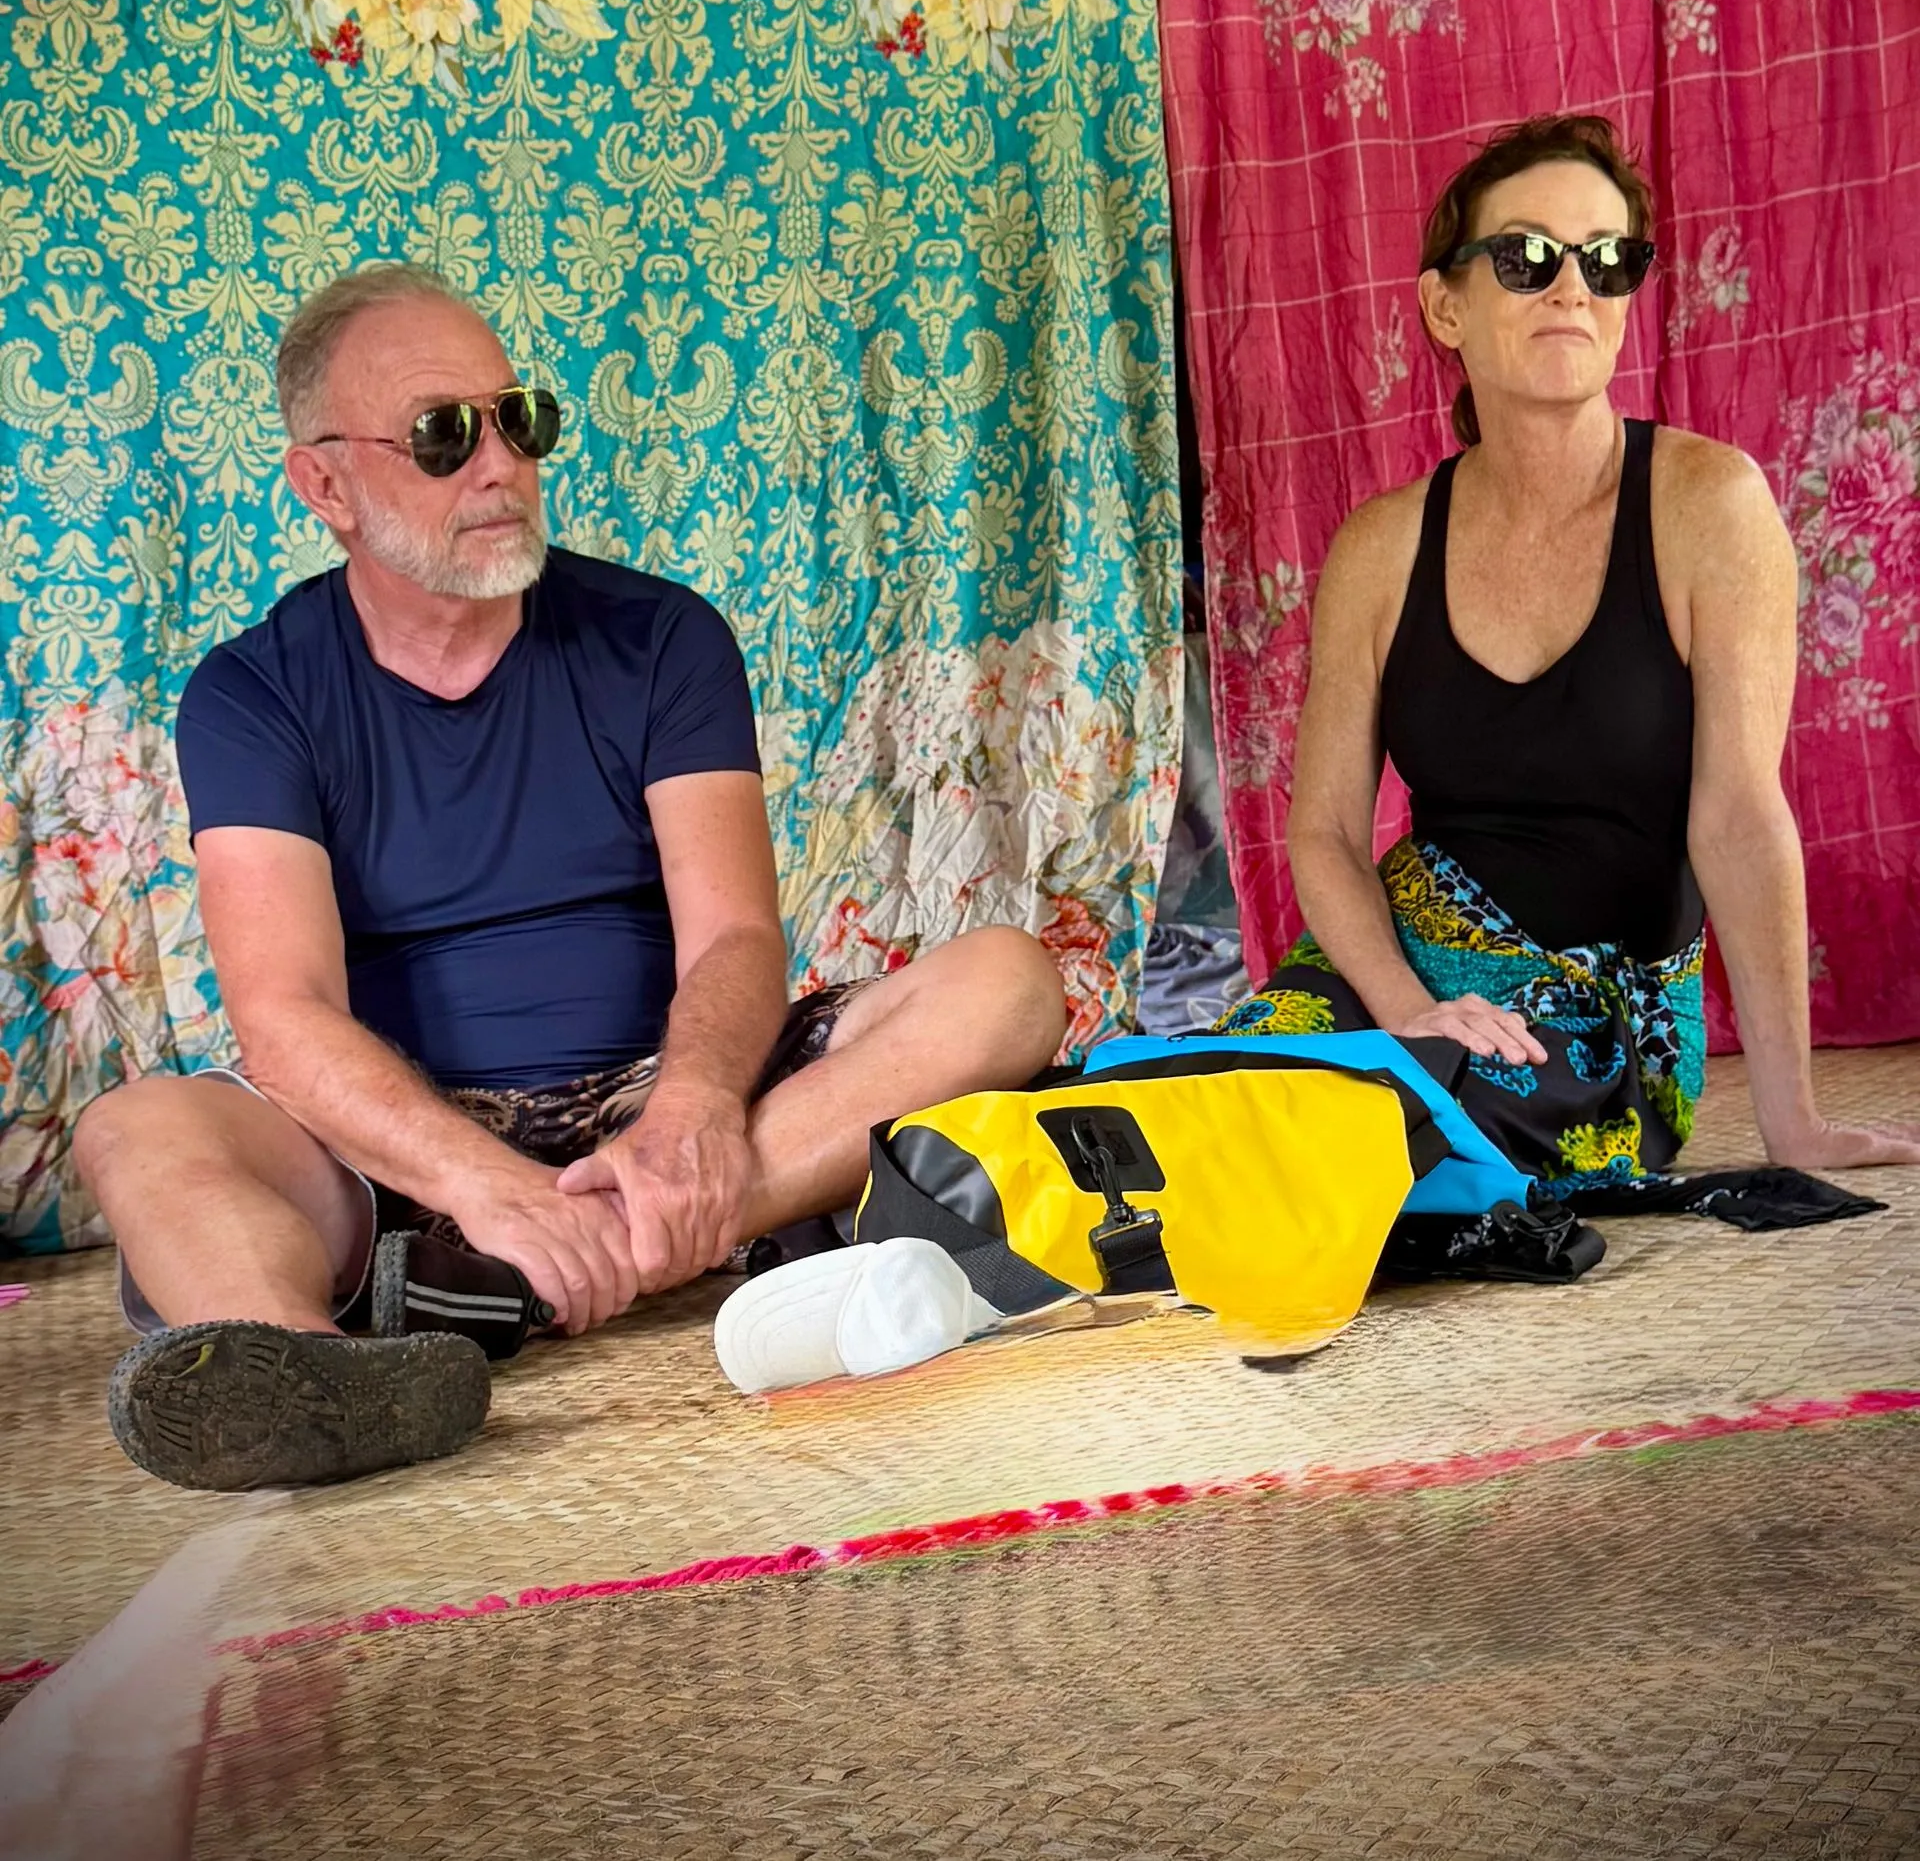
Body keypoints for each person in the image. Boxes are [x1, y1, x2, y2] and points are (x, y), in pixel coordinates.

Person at [76, 265, 1067, 1491]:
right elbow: (283, 1015)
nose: (500, 465)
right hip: (412, 1147)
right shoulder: (253, 693)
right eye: (444, 436)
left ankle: (515, 1284)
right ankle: (310, 1375)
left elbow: (733, 939)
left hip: (668, 1093)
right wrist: (484, 1186)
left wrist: (691, 1118)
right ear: (325, 486)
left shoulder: (662, 637)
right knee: (135, 1131)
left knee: (1007, 983)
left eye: (520, 419)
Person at [1221, 113, 1919, 1192]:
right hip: (1395, 975)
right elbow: (1325, 834)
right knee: (1221, 1102)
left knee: (1376, 1149)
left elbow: (1739, 818)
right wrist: (1407, 1013)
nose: (1572, 287)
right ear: (1445, 305)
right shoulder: (1380, 547)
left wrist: (1794, 1122)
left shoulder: (1709, 507)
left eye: (1606, 259)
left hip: (1597, 1015)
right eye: (1527, 256)